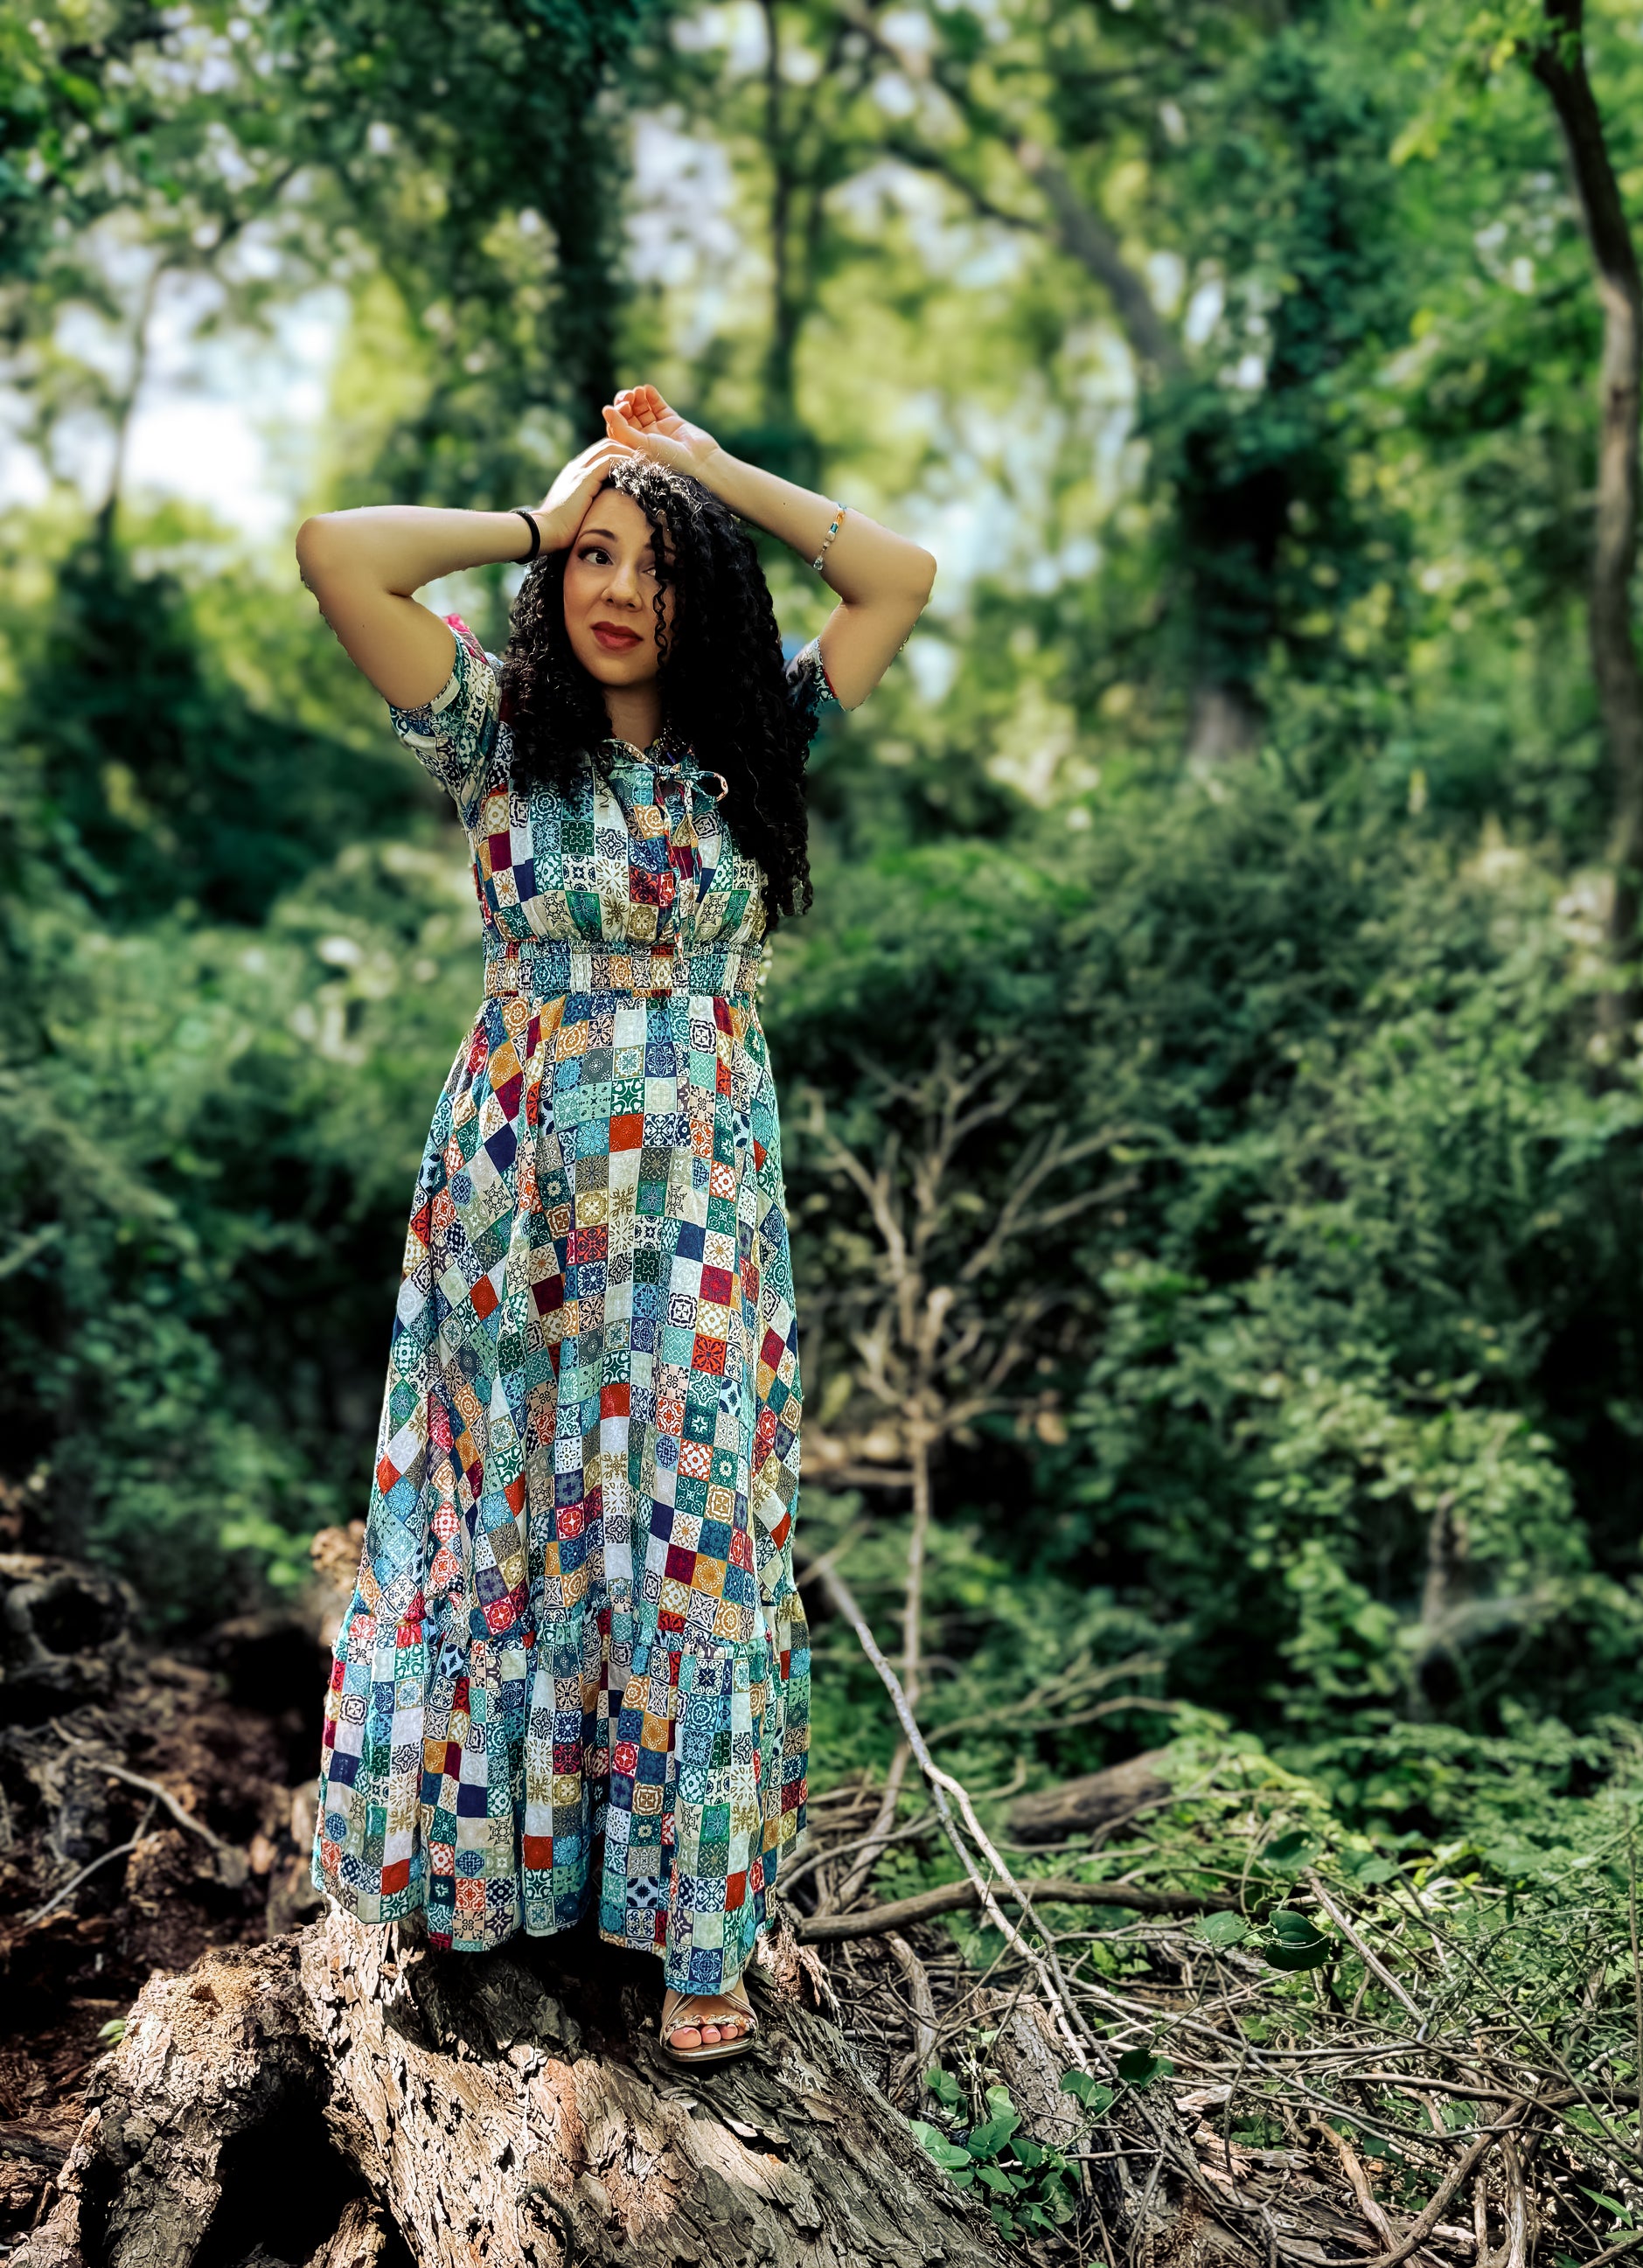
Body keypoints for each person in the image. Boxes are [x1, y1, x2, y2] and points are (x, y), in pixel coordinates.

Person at [295, 385, 935, 2063]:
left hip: (702, 1204)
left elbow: (902, 578)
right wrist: (539, 504)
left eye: (653, 564)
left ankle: (697, 1928)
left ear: (698, 593)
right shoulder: (498, 733)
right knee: (501, 1508)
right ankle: (485, 1869)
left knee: (692, 1525)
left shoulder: (758, 744)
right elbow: (335, 554)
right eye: (593, 556)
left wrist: (706, 476)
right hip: (517, 1188)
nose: (618, 586)